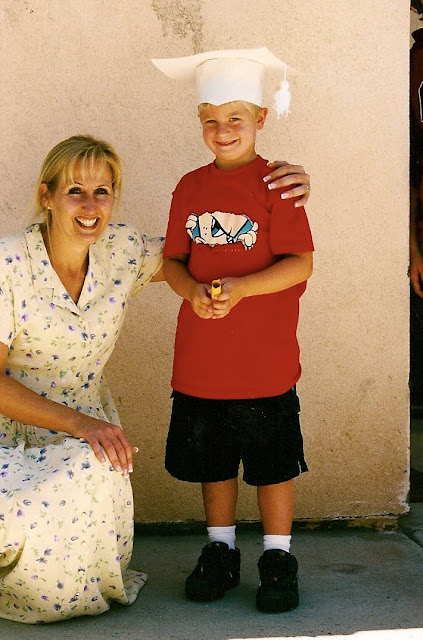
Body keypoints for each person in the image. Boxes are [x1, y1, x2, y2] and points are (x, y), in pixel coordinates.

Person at [0, 133, 311, 624]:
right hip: (18, 430)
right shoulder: (8, 264)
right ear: (47, 196)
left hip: (88, 438)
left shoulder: (120, 250)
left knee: (67, 570)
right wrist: (83, 425)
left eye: (102, 192)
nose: (90, 206)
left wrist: (278, 192)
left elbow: (212, 243)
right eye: (75, 191)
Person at [153, 48, 314, 613]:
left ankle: (277, 555)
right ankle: (220, 549)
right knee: (214, 461)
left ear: (261, 118)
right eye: (211, 120)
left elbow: (300, 263)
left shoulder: (278, 185)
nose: (223, 131)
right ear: (199, 121)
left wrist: (242, 288)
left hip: (265, 360)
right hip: (202, 360)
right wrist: (190, 291)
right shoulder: (188, 187)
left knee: (272, 464)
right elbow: (174, 262)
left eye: (236, 118)